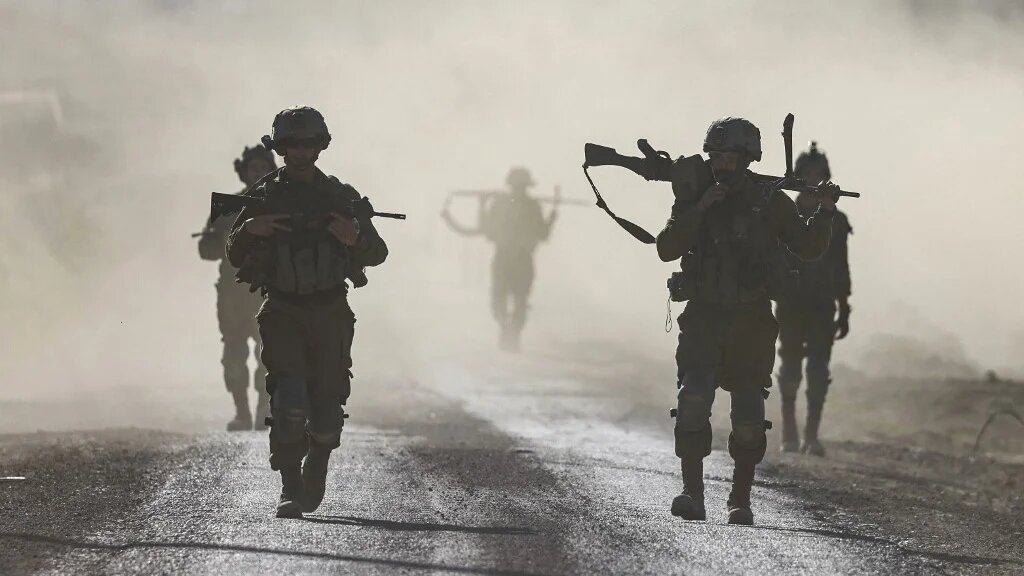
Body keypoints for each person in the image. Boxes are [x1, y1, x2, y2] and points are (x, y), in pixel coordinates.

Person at [656, 117, 838, 525]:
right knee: (693, 399)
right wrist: (700, 209)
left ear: (746, 157)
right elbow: (666, 247)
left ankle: (740, 500)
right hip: (704, 317)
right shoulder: (695, 194)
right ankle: (692, 492)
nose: (718, 162)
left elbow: (807, 247)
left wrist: (825, 213)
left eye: (727, 155)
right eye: (714, 155)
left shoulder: (769, 200)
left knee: (749, 415)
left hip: (751, 322)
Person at [226, 106, 388, 518]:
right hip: (282, 309)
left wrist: (353, 239)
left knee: (327, 412)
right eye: (292, 144)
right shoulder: (264, 195)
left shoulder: (340, 195)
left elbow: (379, 252)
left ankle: (317, 459)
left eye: (308, 143)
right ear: (280, 147)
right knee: (289, 401)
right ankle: (289, 484)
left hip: (331, 309)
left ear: (321, 146)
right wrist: (250, 230)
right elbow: (233, 252)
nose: (300, 151)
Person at [775, 142, 852, 456]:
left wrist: (844, 306)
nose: (813, 178)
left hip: (822, 303)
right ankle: (790, 433)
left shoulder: (836, 217)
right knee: (791, 368)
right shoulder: (783, 211)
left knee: (818, 371)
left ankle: (811, 435)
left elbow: (841, 265)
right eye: (807, 173)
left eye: (818, 173)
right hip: (791, 302)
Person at [197, 144, 276, 431]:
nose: (257, 173)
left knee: (269, 352)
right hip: (232, 292)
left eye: (263, 168)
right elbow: (205, 250)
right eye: (252, 168)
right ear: (243, 172)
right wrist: (221, 238)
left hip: (265, 290)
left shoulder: (278, 204)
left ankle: (264, 411)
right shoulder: (229, 207)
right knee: (234, 352)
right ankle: (242, 411)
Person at [440, 167, 557, 351]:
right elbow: (543, 234)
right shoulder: (528, 206)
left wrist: (483, 206)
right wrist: (553, 215)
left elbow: (485, 228)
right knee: (512, 300)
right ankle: (509, 331)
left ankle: (509, 331)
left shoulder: (507, 204)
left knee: (509, 300)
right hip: (517, 259)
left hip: (509, 258)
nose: (519, 189)